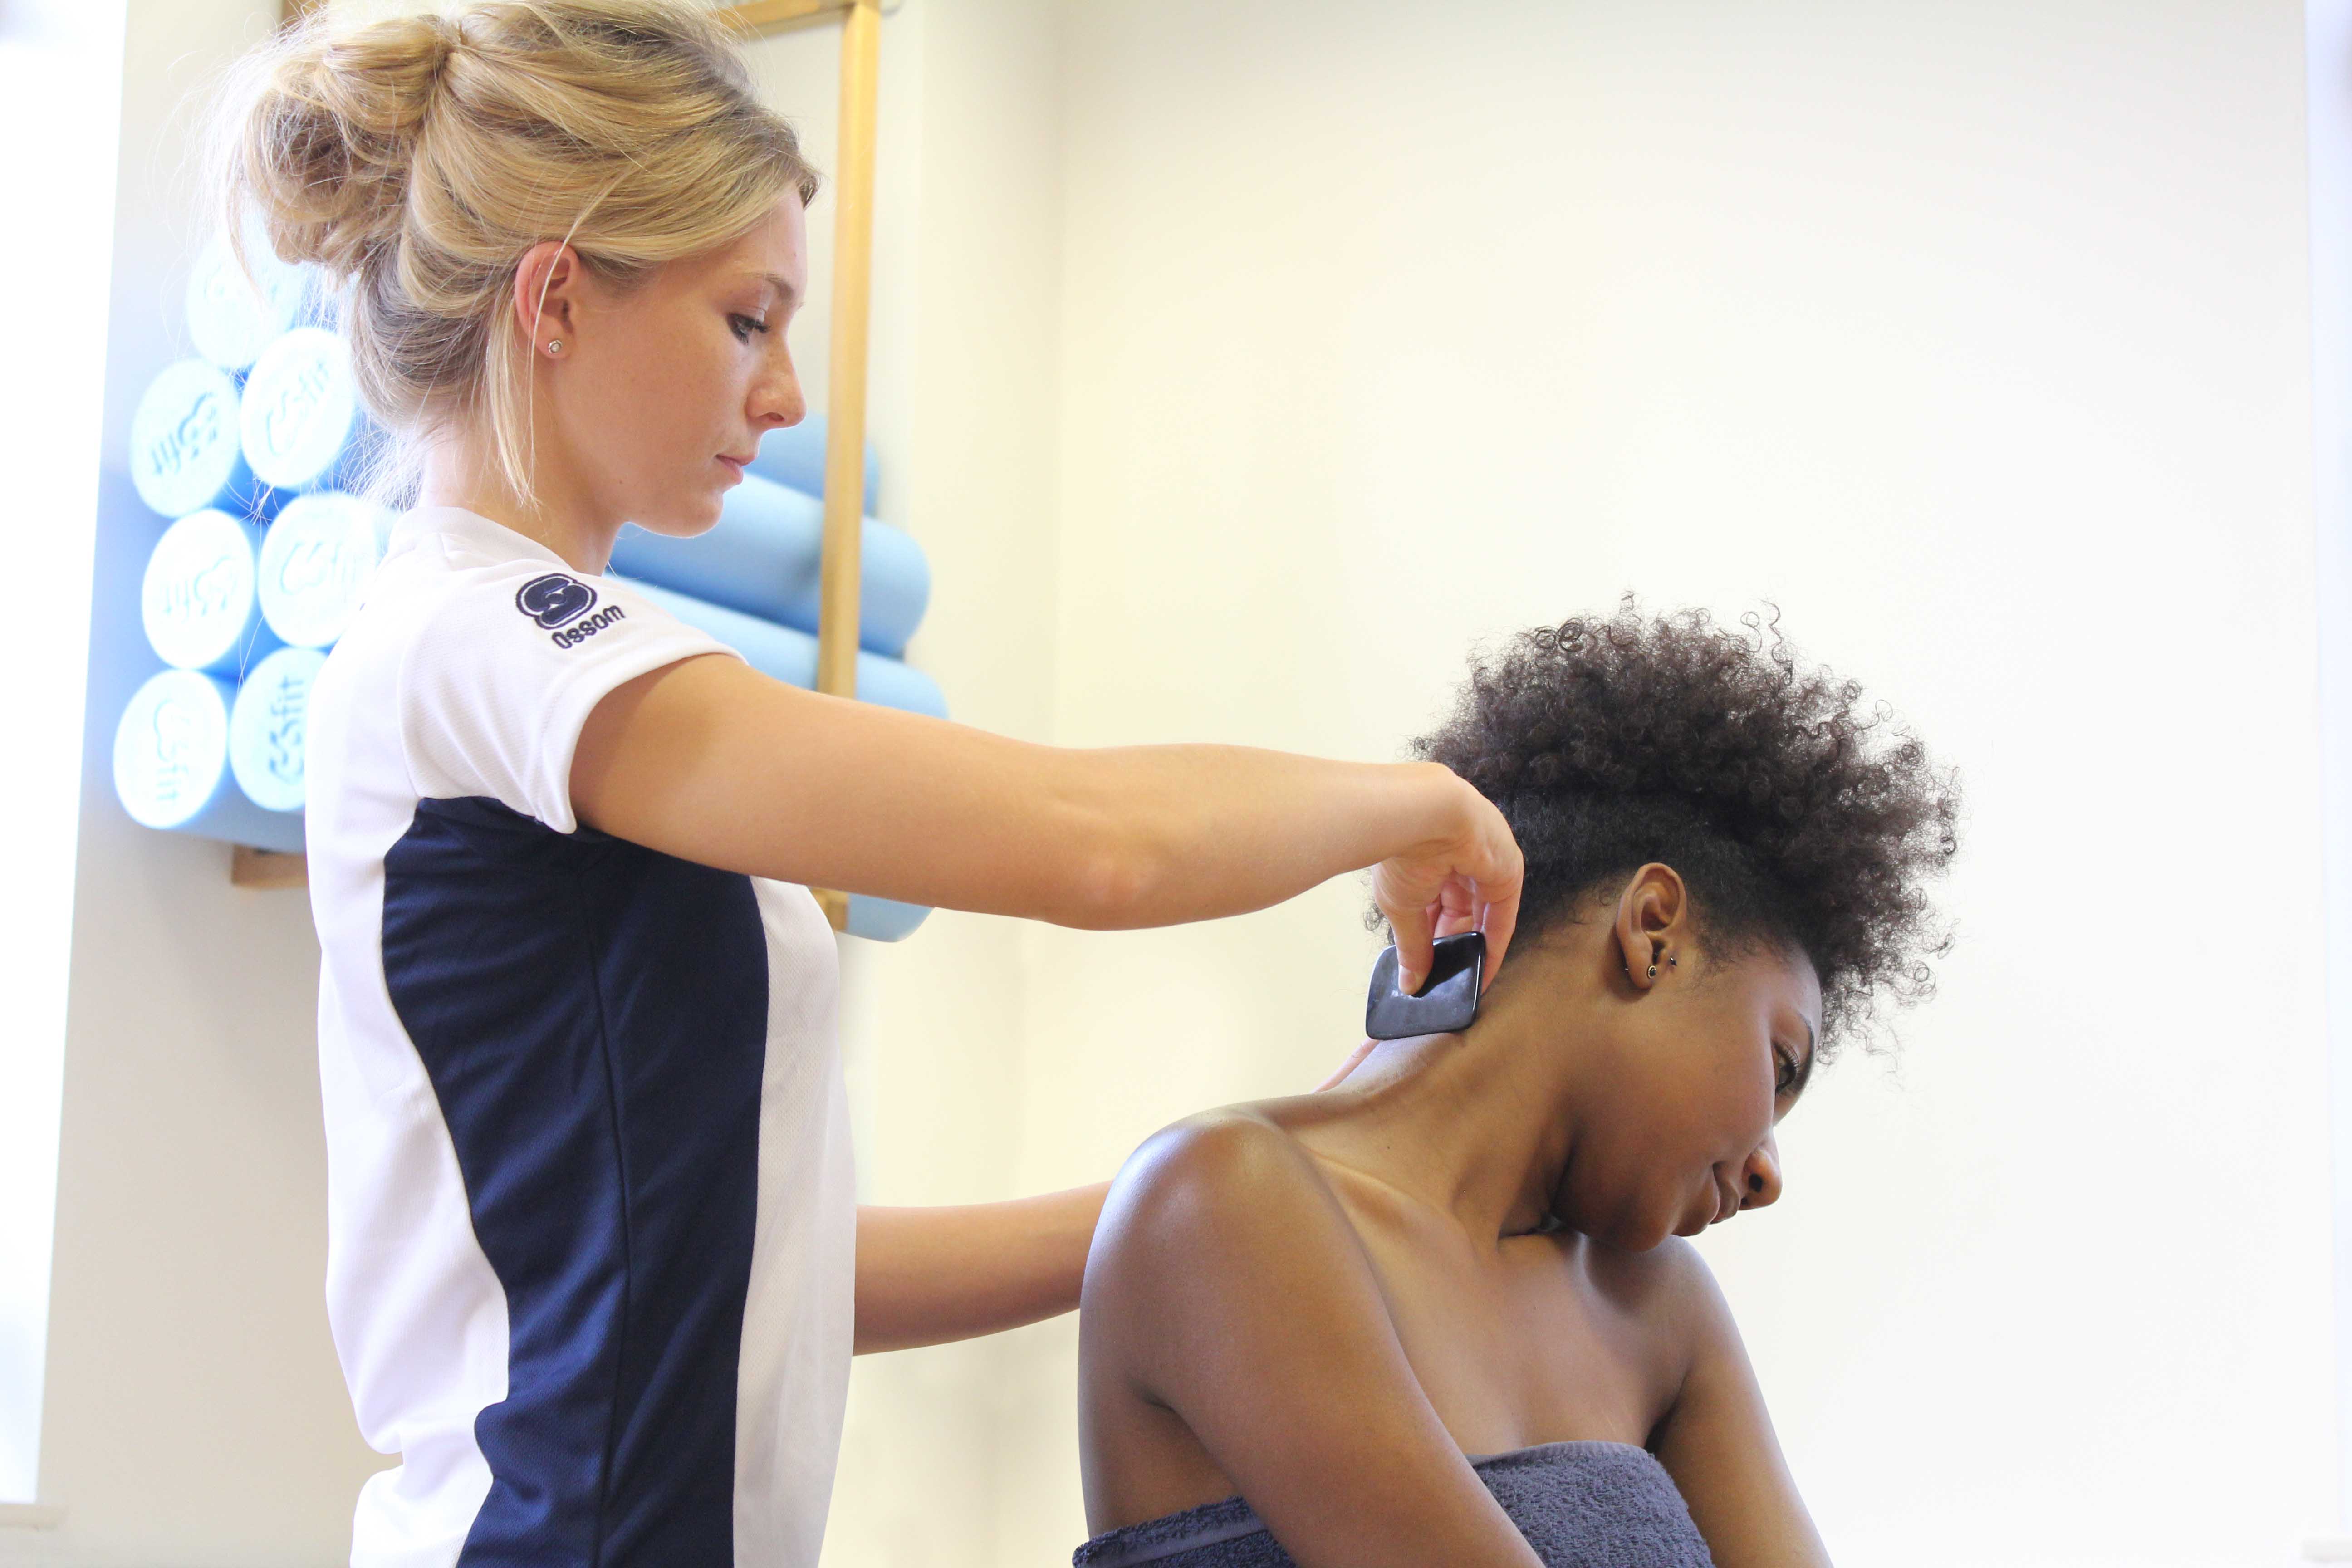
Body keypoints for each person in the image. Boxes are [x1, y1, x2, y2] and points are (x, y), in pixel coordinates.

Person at [208, 5, 1524, 1564]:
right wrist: (1417, 803)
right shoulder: (480, 642)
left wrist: (1220, 1190)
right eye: (748, 321)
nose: (783, 399)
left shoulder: (540, 669)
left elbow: (766, 1267)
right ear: (556, 297)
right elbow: (1089, 846)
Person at [1075, 603, 1959, 1568]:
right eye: (1780, 1067)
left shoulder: (1660, 1311)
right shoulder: (1222, 1200)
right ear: (1654, 929)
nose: (1768, 1173)